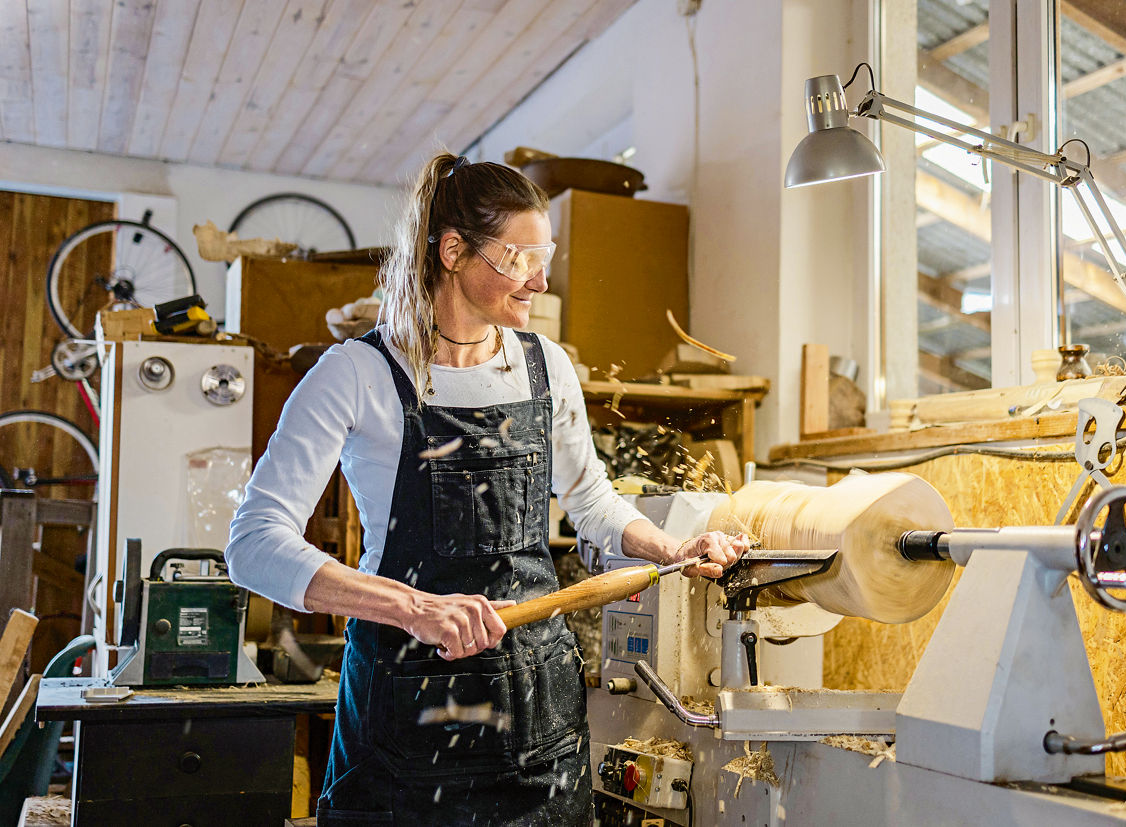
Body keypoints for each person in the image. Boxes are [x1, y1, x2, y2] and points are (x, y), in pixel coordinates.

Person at [225, 152, 747, 826]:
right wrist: (414, 607)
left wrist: (673, 548)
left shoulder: (546, 366)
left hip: (536, 716)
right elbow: (254, 544)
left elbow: (591, 500)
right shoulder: (355, 374)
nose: (540, 280)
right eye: (519, 258)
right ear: (452, 252)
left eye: (543, 257)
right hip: (406, 713)